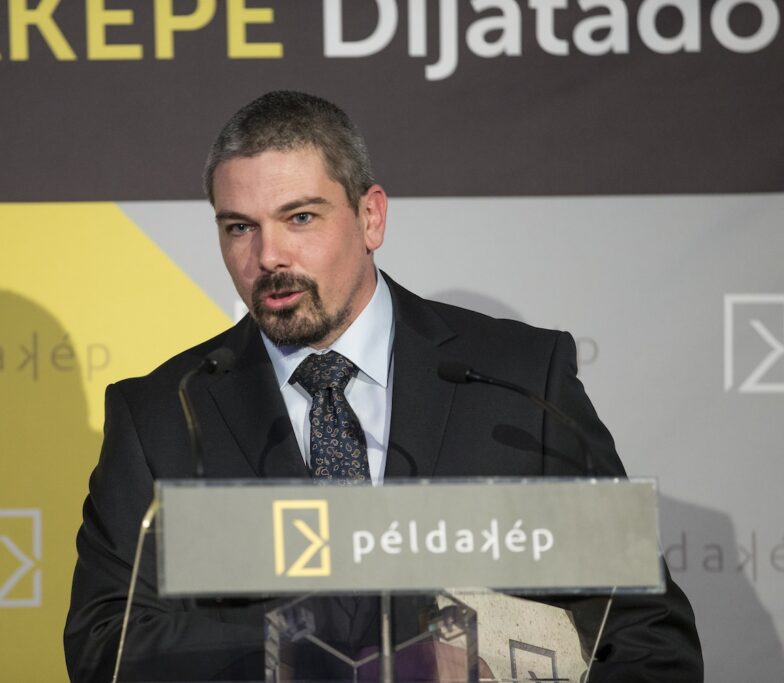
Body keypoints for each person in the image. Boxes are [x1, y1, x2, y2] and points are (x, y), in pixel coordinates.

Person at [64, 91, 703, 681]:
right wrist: (311, 656)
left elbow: (645, 635)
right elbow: (104, 646)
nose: (268, 257)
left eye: (300, 217)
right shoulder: (163, 415)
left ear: (370, 217)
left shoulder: (519, 381)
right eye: (239, 227)